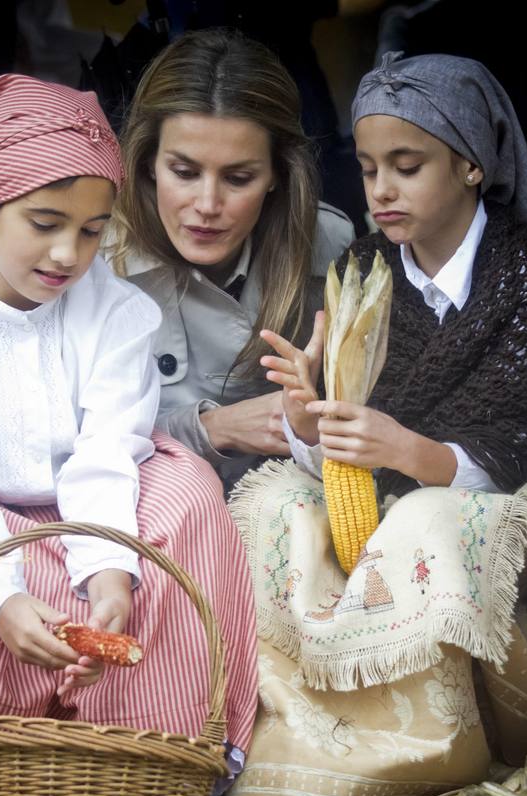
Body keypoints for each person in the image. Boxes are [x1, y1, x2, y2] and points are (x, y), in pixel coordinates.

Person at [0, 74, 257, 763]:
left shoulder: (113, 310)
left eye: (93, 231)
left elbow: (104, 456)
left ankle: (142, 750)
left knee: (191, 493)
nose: (69, 255)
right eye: (44, 224)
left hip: (83, 496)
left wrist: (110, 576)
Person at [223, 52, 527, 796]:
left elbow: (525, 442)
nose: (380, 190)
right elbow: (346, 446)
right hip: (373, 506)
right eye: (367, 169)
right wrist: (308, 421)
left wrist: (410, 452)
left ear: (472, 165)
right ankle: (304, 752)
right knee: (276, 513)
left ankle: (432, 754)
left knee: (426, 521)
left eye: (407, 166)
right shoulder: (361, 269)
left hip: (500, 515)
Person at [106, 27, 355, 490]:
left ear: (279, 175)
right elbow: (59, 441)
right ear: (146, 163)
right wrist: (210, 430)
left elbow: (362, 430)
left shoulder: (330, 245)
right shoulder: (93, 258)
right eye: (183, 172)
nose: (207, 203)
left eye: (238, 178)